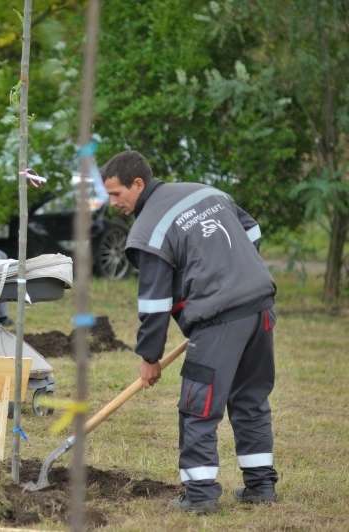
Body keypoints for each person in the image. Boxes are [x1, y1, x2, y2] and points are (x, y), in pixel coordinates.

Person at [100, 150, 279, 514]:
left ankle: (199, 494)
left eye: (116, 193)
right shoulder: (205, 192)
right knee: (250, 399)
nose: (112, 202)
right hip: (260, 308)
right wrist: (234, 271)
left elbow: (154, 304)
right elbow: (253, 230)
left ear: (138, 183)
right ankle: (260, 486)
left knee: (198, 407)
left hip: (219, 320)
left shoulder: (149, 228)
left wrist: (149, 358)